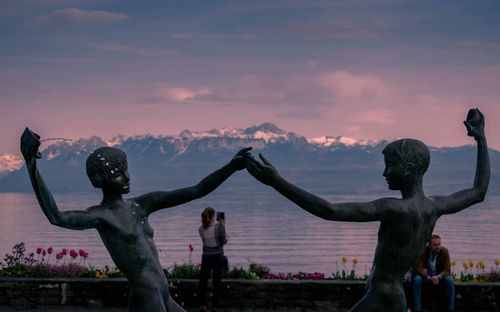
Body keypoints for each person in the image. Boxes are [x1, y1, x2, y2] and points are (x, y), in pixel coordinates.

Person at [245, 108, 489, 312]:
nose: (384, 173)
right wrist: (481, 138)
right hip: (391, 297)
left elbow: (329, 210)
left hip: (383, 297)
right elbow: (478, 191)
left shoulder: (393, 209)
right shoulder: (433, 207)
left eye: (389, 166)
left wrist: (276, 182)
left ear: (408, 168)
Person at [20, 127, 250, 312]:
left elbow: (197, 190)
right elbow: (56, 216)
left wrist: (230, 168)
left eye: (126, 170)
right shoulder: (102, 215)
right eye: (118, 173)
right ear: (99, 180)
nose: (127, 177)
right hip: (146, 293)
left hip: (162, 292)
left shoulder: (142, 204)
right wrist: (32, 166)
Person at [412, 234, 455, 312]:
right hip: (426, 277)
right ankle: (417, 309)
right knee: (417, 279)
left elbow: (447, 270)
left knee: (449, 281)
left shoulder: (444, 251)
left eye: (439, 244)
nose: (438, 247)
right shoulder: (423, 252)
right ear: (429, 245)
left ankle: (450, 309)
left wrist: (438, 277)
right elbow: (418, 268)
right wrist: (427, 276)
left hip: (439, 276)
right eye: (435, 245)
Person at [198, 207, 227, 312]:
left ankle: (203, 305)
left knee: (203, 281)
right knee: (216, 282)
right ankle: (215, 306)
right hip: (217, 256)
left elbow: (205, 242)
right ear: (212, 216)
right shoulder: (219, 226)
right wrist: (223, 225)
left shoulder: (201, 229)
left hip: (205, 256)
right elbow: (222, 241)